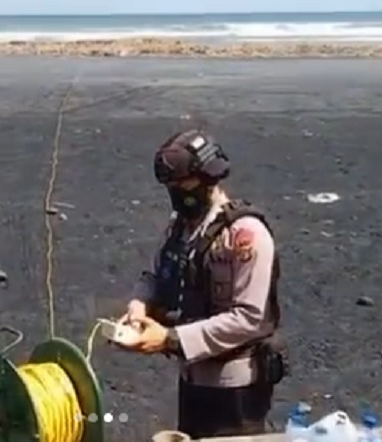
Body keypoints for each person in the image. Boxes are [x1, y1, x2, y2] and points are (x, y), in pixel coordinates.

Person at [117, 129, 287, 439]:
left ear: (207, 178)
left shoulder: (245, 235)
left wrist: (169, 339)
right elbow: (155, 275)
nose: (177, 194)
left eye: (182, 185)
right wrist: (139, 305)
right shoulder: (180, 227)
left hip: (235, 389)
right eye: (171, 187)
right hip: (192, 379)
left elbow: (248, 318)